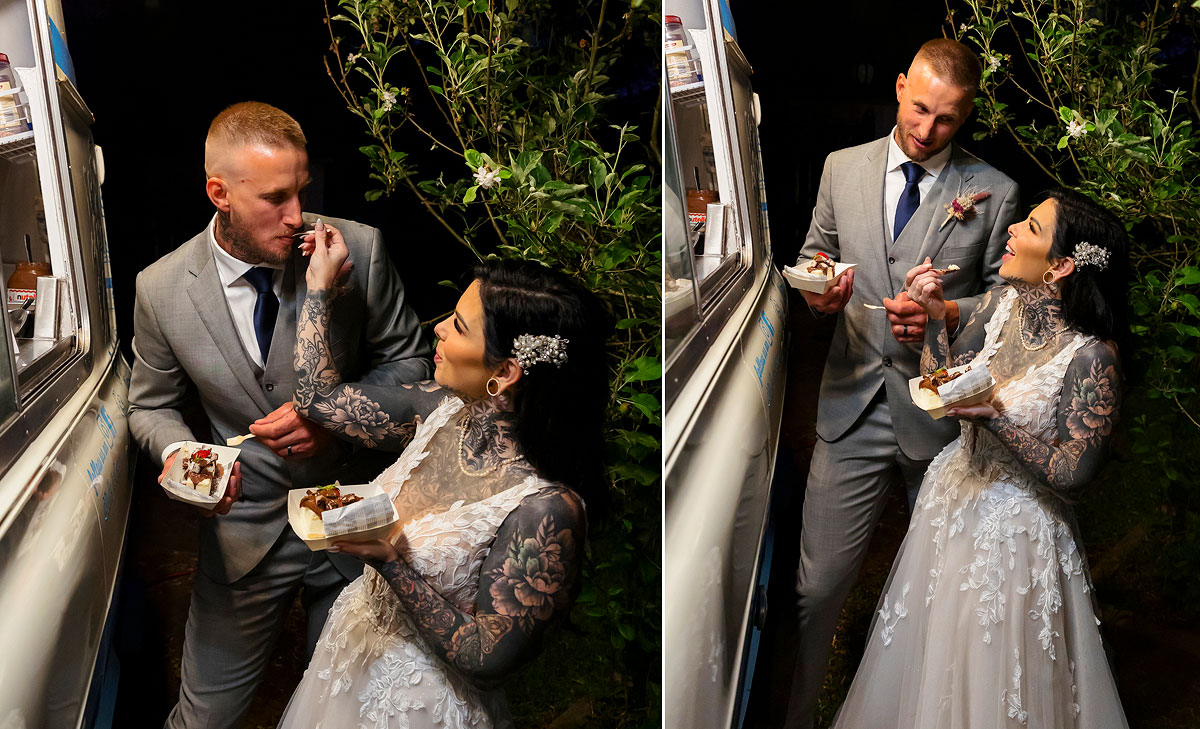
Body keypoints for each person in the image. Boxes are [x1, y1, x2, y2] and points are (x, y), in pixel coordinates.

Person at [127, 101, 432, 729]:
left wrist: (336, 415)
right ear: (219, 193)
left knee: (348, 712)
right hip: (241, 537)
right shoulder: (159, 288)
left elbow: (415, 373)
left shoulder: (359, 250)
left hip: (356, 527)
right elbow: (150, 405)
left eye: (301, 192)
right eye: (274, 198)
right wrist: (182, 455)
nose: (297, 217)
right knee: (203, 718)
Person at [276, 226, 611, 728]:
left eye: (458, 325)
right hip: (345, 666)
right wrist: (321, 286)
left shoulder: (546, 511)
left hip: (422, 706)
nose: (437, 330)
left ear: (507, 372)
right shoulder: (437, 409)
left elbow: (487, 663)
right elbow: (317, 399)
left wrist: (390, 561)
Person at [784, 38, 1022, 728]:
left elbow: (1007, 307)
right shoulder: (841, 167)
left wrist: (948, 313)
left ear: (967, 113)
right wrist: (818, 293)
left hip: (940, 418)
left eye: (946, 120)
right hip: (849, 408)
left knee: (942, 594)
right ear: (898, 88)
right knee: (816, 586)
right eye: (919, 110)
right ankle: (800, 714)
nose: (926, 130)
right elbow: (811, 258)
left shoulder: (994, 192)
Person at [829, 189, 1129, 727]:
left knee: (998, 673)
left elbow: (1073, 475)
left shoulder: (1092, 358)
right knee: (934, 655)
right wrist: (930, 315)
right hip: (950, 505)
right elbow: (943, 379)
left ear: (1060, 266)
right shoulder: (1001, 304)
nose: (1011, 231)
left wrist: (995, 419)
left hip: (1016, 535)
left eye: (1030, 228)